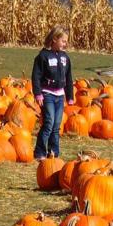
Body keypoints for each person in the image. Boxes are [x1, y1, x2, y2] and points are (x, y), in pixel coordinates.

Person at [30, 26, 74, 160]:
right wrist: (38, 94)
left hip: (59, 95)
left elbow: (69, 77)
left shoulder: (65, 58)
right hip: (47, 94)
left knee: (56, 126)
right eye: (63, 41)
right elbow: (36, 76)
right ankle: (40, 152)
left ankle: (53, 152)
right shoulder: (43, 56)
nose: (65, 44)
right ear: (54, 39)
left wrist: (70, 96)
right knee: (49, 123)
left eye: (66, 41)